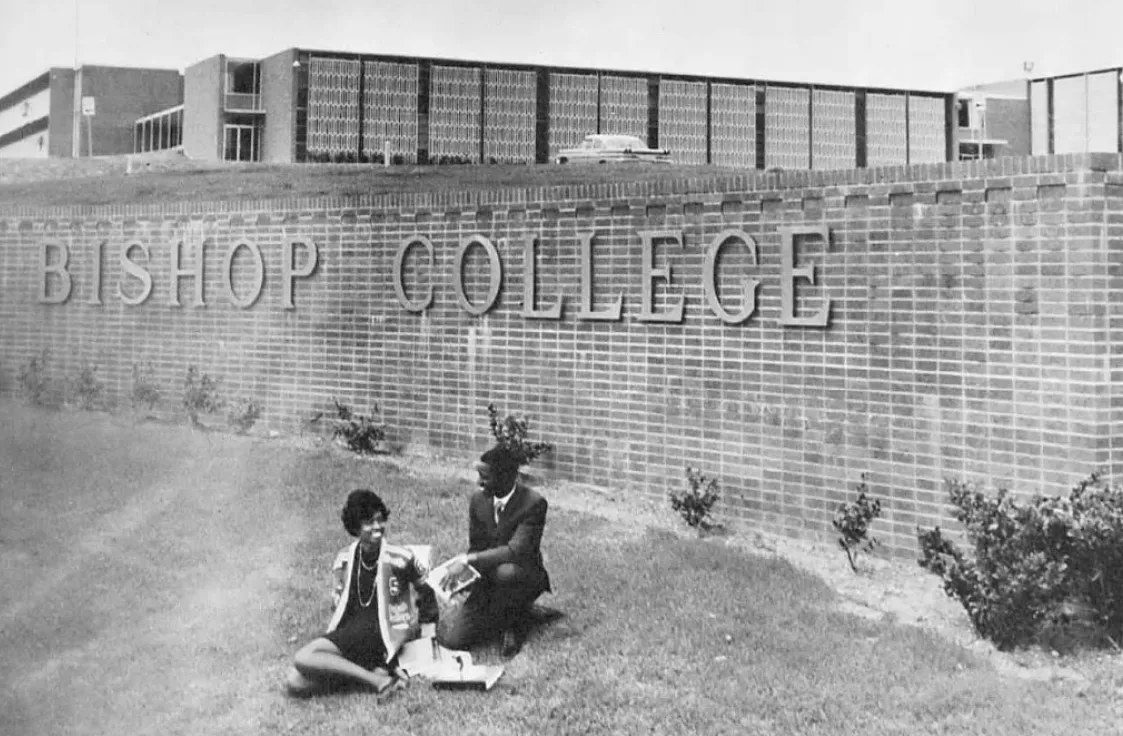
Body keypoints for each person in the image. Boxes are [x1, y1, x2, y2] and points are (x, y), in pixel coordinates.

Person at [286, 489, 438, 697]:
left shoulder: (401, 558)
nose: (377, 527)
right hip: (351, 632)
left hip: (381, 635)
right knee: (295, 682)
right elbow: (338, 602)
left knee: (303, 657)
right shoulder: (344, 558)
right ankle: (373, 676)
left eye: (380, 520)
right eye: (368, 522)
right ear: (355, 528)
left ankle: (376, 678)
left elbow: (427, 590)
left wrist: (428, 633)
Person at [438, 443, 551, 657]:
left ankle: (515, 620)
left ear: (507, 477)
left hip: (523, 575)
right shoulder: (478, 500)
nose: (479, 482)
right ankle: (504, 611)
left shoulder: (533, 503)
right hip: (489, 575)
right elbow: (477, 545)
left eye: (485, 477)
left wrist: (468, 560)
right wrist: (465, 578)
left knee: (506, 573)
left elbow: (516, 551)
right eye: (479, 475)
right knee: (454, 640)